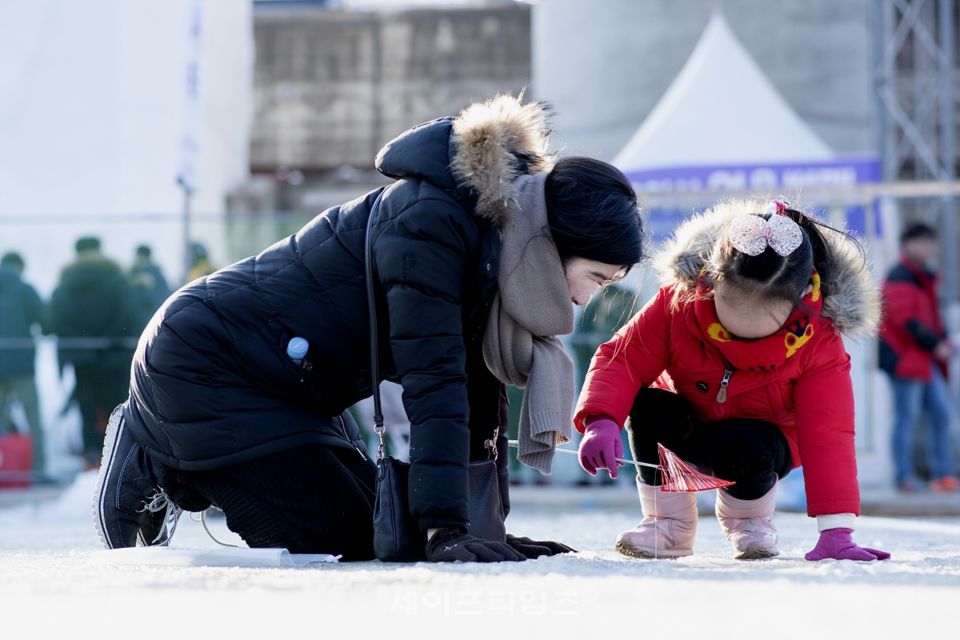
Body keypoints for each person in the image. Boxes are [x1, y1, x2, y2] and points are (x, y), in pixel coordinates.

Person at [94, 94, 644, 561]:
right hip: (207, 363)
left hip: (295, 384)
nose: (583, 299)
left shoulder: (497, 246)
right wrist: (445, 531)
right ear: (553, 241)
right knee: (342, 536)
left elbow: (480, 396)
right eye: (594, 277)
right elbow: (436, 381)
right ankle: (155, 453)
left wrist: (478, 528)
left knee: (384, 531)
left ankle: (179, 453)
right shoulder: (431, 221)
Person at [575, 199, 892, 562]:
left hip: (761, 443)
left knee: (743, 440)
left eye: (758, 326)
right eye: (729, 316)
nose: (738, 337)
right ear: (709, 280)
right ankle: (668, 524)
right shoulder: (676, 304)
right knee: (647, 406)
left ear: (801, 299)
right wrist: (601, 419)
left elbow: (829, 433)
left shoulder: (819, 341)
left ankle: (750, 523)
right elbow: (623, 359)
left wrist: (837, 530)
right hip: (691, 424)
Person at [878, 222, 959, 492]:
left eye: (930, 241)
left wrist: (942, 340)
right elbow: (905, 320)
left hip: (925, 359)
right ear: (907, 244)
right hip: (906, 360)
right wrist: (936, 344)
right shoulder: (900, 275)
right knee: (907, 417)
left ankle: (943, 474)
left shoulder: (925, 275)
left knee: (941, 413)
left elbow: (931, 317)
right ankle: (903, 477)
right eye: (921, 241)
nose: (927, 247)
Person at [50, 237, 138, 467]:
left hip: (82, 357)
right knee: (116, 406)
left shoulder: (66, 282)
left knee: (87, 407)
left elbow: (53, 320)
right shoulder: (117, 278)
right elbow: (130, 314)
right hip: (115, 355)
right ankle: (120, 456)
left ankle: (91, 454)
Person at [0, 251, 47, 475]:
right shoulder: (25, 289)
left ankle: (5, 471)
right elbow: (46, 321)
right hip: (22, 366)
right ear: (19, 267)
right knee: (33, 417)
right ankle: (37, 469)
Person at [129, 244, 172, 333]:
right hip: (137, 322)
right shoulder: (131, 274)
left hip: (148, 321)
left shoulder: (156, 276)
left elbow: (159, 300)